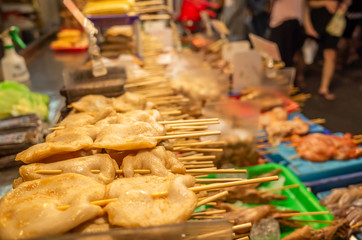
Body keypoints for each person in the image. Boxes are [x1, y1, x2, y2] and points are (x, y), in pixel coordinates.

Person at [268, 0, 318, 88]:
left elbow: (304, 6)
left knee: (290, 59)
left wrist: (308, 27)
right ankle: (281, 88)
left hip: (295, 24)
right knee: (279, 60)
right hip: (280, 23)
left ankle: (287, 88)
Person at [309, 0, 351, 100]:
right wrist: (324, 3)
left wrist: (344, 5)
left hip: (334, 24)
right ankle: (298, 77)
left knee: (330, 55)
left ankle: (324, 88)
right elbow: (308, 3)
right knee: (300, 49)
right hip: (315, 21)